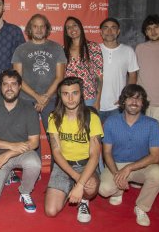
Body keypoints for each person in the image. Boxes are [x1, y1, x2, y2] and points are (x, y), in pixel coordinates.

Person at [99, 84, 159, 227]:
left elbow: (155, 157)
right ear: (123, 101)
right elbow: (106, 152)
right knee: (104, 190)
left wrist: (129, 168)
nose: (134, 102)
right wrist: (117, 174)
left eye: (139, 99)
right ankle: (118, 192)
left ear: (143, 103)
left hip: (141, 165)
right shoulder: (111, 122)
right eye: (130, 98)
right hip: (116, 164)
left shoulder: (152, 124)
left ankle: (141, 207)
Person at [0, 69, 41, 213]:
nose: (9, 88)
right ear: (0, 87)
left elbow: (34, 142)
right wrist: (10, 146)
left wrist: (8, 153)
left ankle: (25, 192)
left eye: (13, 84)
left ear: (20, 87)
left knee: (34, 162)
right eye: (5, 84)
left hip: (21, 152)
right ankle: (7, 174)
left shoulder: (29, 109)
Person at [44, 77, 103, 223]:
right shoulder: (54, 118)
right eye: (65, 94)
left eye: (74, 93)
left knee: (90, 188)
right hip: (63, 165)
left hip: (85, 165)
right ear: (60, 96)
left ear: (81, 94)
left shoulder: (92, 117)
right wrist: (77, 179)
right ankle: (70, 188)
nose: (70, 98)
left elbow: (95, 156)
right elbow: (56, 153)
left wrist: (81, 184)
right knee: (51, 211)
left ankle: (84, 201)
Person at [12, 13, 66, 160]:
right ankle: (34, 170)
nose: (39, 29)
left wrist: (45, 97)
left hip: (52, 99)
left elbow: (60, 77)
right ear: (30, 28)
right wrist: (37, 97)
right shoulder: (20, 50)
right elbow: (18, 79)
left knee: (55, 137)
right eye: (35, 26)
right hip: (26, 99)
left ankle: (58, 173)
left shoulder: (56, 48)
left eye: (42, 26)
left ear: (47, 29)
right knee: (30, 137)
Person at [99, 17, 139, 123]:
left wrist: (126, 97)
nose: (109, 31)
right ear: (101, 32)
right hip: (95, 105)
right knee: (93, 139)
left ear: (118, 31)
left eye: (113, 28)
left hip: (117, 107)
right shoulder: (94, 50)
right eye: (106, 28)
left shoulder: (128, 51)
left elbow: (133, 76)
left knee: (116, 138)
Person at [136, 14, 159, 142]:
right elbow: (134, 74)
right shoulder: (140, 49)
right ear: (145, 32)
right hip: (142, 104)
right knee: (142, 140)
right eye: (149, 28)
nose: (153, 31)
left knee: (158, 141)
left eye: (156, 27)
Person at [63, 16, 103, 110]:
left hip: (88, 99)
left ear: (80, 27)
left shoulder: (93, 47)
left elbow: (99, 77)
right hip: (69, 98)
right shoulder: (63, 50)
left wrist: (97, 100)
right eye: (68, 28)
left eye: (75, 25)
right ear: (66, 32)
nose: (72, 29)